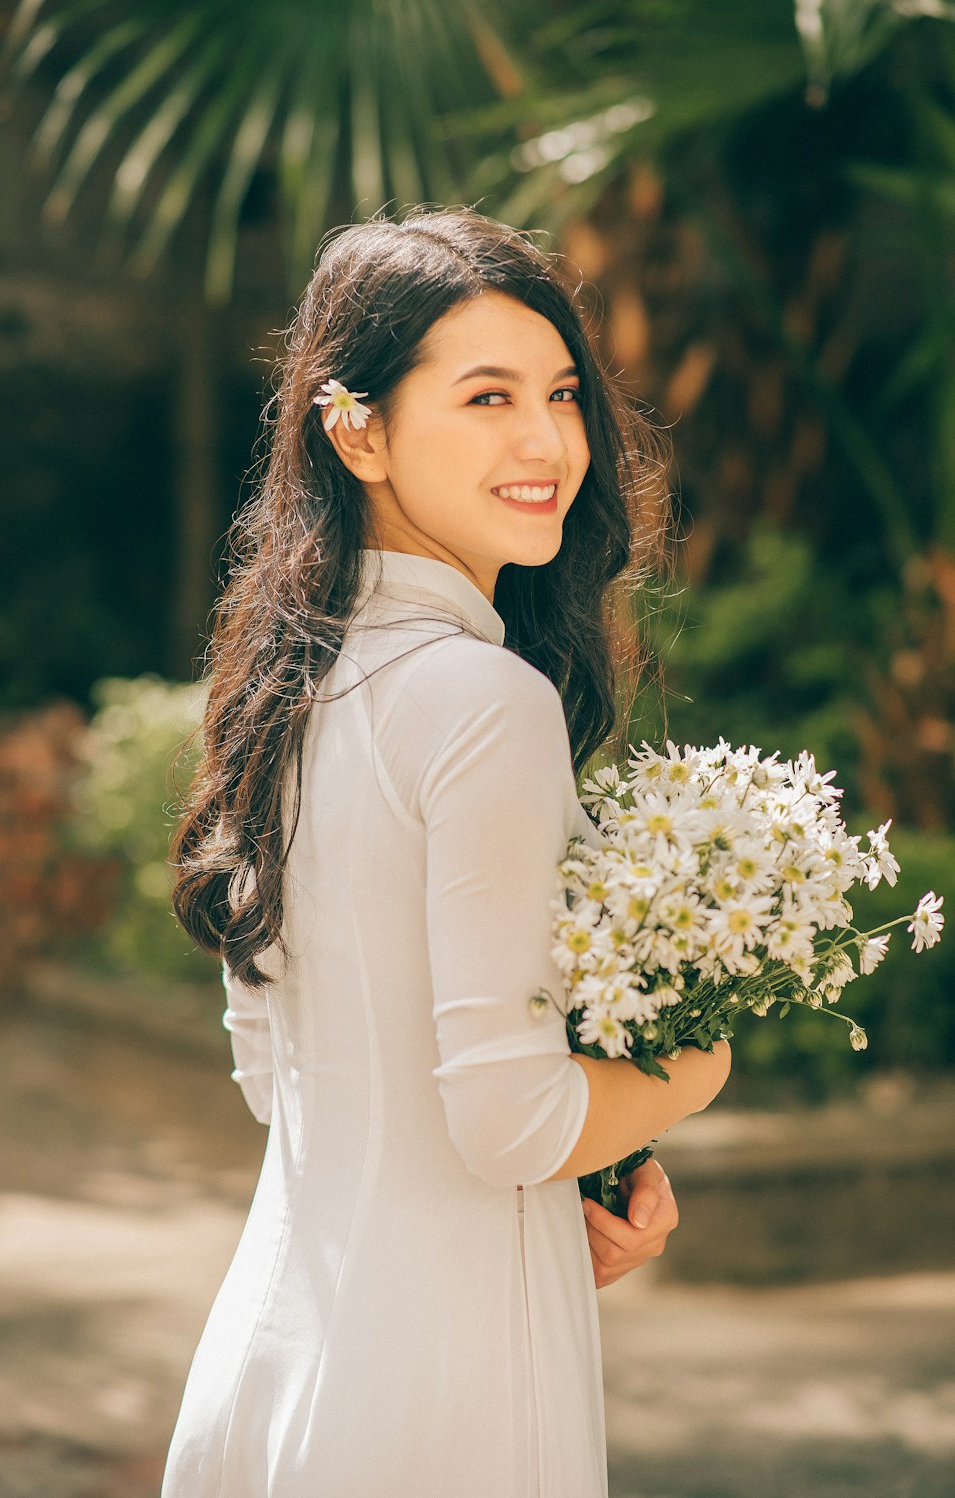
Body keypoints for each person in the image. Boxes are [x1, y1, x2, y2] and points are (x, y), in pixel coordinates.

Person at [161, 207, 732, 1498]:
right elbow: (510, 1114)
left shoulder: (280, 684)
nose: (547, 442)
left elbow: (277, 1071)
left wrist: (585, 1173)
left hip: (271, 1354)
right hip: (447, 1389)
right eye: (486, 397)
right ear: (355, 427)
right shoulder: (488, 703)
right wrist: (693, 1071)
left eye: (563, 394)